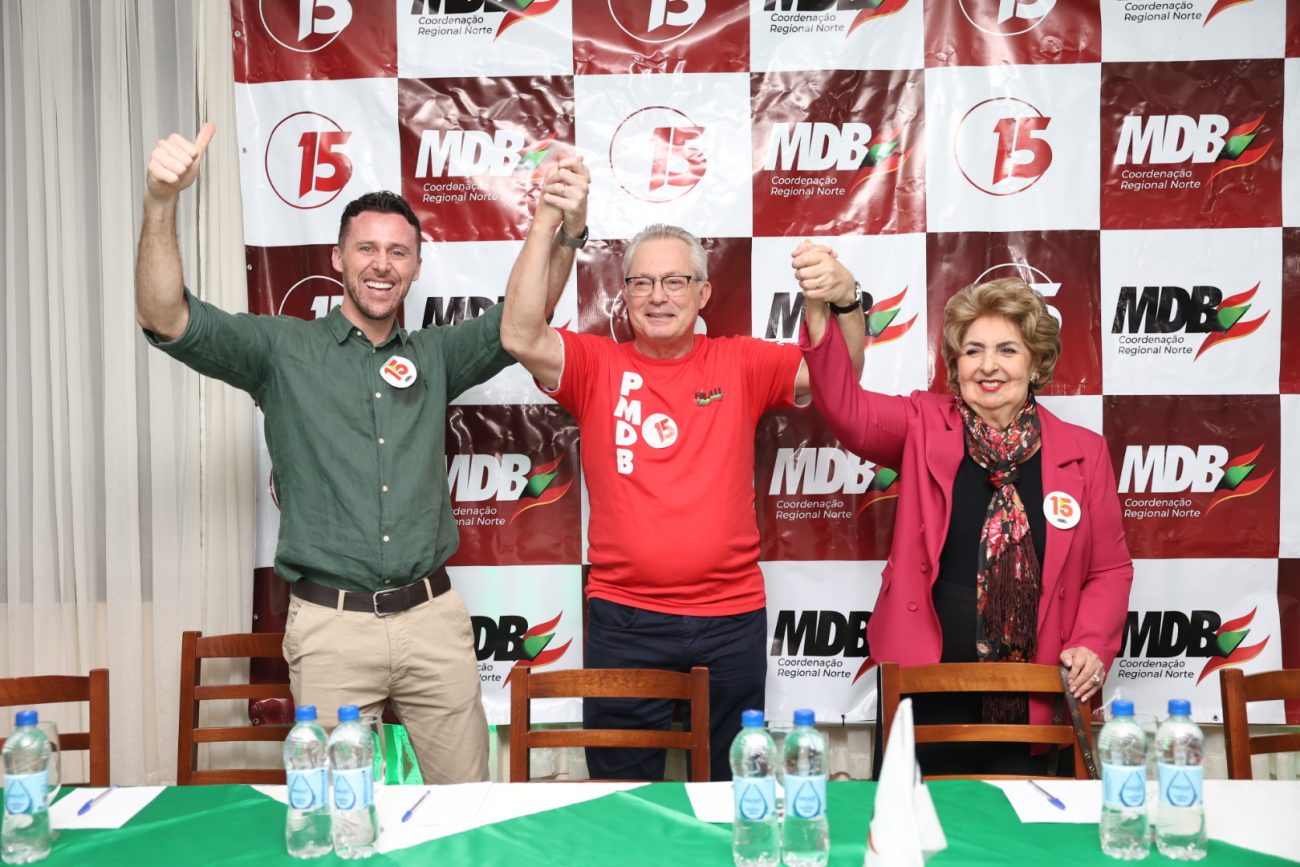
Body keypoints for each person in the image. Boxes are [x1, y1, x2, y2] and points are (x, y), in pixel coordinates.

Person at [135, 123, 585, 784]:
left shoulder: (435, 354)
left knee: (468, 807)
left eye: (398, 252)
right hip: (331, 626)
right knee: (333, 812)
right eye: (367, 248)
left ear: (416, 266)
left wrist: (560, 225)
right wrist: (160, 204)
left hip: (432, 620)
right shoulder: (280, 350)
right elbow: (165, 316)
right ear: (338, 258)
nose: (382, 263)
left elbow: (531, 310)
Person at [500, 163, 864, 781]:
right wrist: (547, 221)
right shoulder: (595, 364)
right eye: (642, 283)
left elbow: (840, 374)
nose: (658, 296)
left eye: (675, 281)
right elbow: (518, 332)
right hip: (624, 621)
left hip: (731, 620)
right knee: (621, 799)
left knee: (731, 795)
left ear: (703, 294)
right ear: (625, 294)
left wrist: (846, 297)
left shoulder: (740, 361)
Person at [799, 276, 1133, 776]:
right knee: (922, 840)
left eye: (1007, 349)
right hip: (925, 684)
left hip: (1038, 690)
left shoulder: (1084, 452)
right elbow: (845, 409)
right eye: (972, 351)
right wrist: (832, 306)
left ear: (1036, 362)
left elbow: (1109, 568)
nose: (988, 365)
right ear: (955, 365)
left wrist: (1092, 641)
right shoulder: (922, 422)